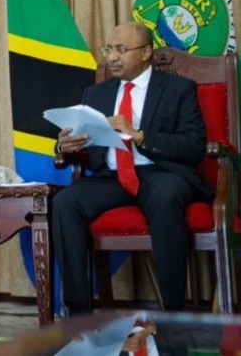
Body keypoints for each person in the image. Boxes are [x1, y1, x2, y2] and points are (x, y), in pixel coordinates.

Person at [52, 22, 211, 315]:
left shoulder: (178, 89)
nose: (112, 57)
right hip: (111, 178)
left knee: (165, 197)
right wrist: (64, 145)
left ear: (146, 52)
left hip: (160, 172)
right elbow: (80, 137)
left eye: (121, 50)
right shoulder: (96, 94)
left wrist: (139, 135)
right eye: (109, 49)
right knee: (65, 203)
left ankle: (173, 314)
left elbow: (194, 146)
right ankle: (77, 313)